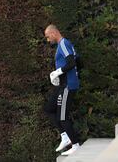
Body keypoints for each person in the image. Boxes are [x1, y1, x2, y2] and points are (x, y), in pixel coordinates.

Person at [44, 24, 80, 156]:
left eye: (48, 37)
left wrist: (58, 72)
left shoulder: (63, 44)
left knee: (63, 117)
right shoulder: (62, 45)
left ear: (54, 33)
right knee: (49, 108)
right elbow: (78, 60)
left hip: (68, 86)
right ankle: (65, 136)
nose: (48, 40)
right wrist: (59, 76)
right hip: (63, 84)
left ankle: (75, 144)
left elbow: (72, 63)